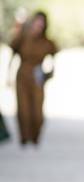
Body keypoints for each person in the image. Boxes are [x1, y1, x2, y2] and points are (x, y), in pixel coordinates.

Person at [7, 11, 58, 147]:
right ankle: (24, 137)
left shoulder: (47, 42)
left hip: (38, 77)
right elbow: (13, 55)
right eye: (37, 22)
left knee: (37, 110)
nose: (39, 25)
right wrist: (8, 75)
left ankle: (35, 137)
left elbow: (53, 60)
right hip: (22, 75)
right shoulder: (22, 38)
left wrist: (50, 73)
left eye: (42, 23)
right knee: (23, 109)